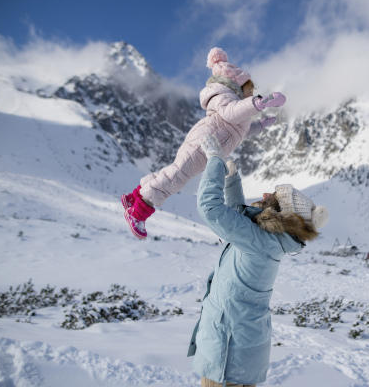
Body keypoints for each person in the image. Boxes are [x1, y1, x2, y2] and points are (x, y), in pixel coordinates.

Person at [187, 134, 329, 387]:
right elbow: (238, 217)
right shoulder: (269, 240)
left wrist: (215, 162)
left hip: (226, 351)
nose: (264, 193)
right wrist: (232, 179)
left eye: (272, 196)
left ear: (279, 213)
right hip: (243, 350)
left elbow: (211, 208)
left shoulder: (259, 241)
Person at [121, 47, 286, 239]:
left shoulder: (235, 105)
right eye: (250, 91)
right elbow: (231, 113)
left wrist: (261, 124)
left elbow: (241, 131)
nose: (251, 95)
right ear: (238, 86)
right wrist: (260, 103)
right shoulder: (224, 98)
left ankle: (134, 197)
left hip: (209, 143)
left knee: (175, 171)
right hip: (203, 142)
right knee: (176, 177)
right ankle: (138, 213)